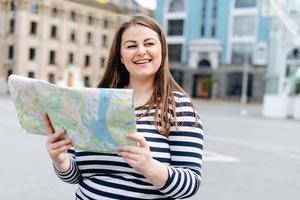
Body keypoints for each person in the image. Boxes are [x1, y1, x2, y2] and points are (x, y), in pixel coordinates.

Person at [44, 14, 204, 200]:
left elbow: (190, 184)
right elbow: (76, 175)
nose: (141, 51)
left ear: (162, 50)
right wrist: (61, 161)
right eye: (131, 45)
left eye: (149, 43)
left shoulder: (179, 107)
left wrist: (149, 166)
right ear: (121, 56)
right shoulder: (94, 102)